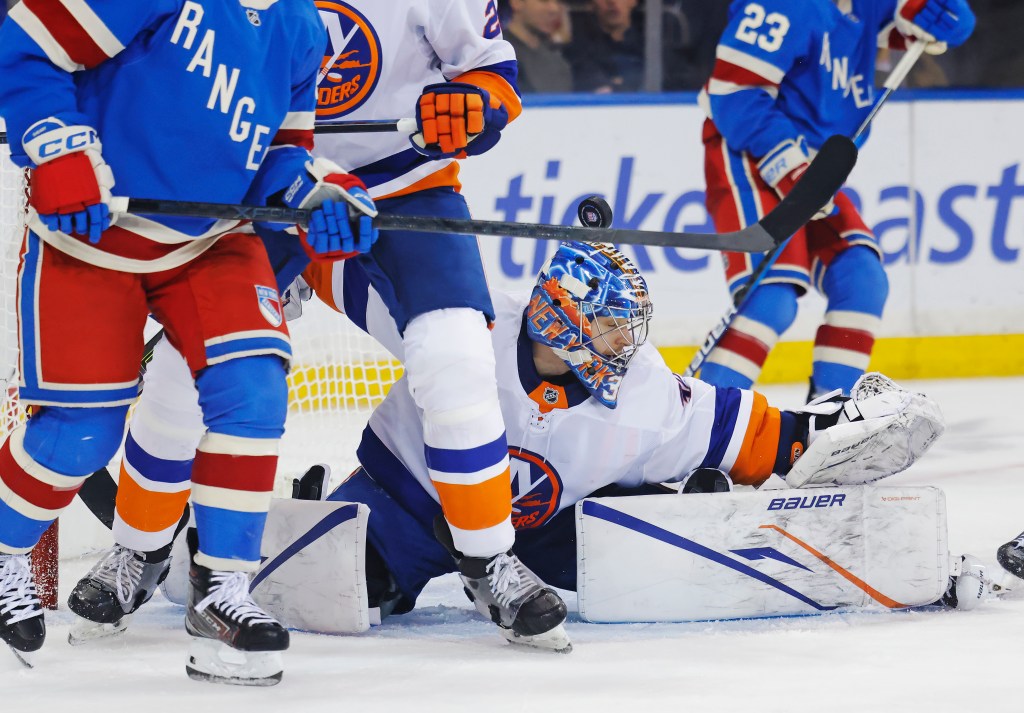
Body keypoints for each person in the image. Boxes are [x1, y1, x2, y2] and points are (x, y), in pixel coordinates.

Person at [64, 0, 560, 654]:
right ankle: (139, 547)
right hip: (270, 181)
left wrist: (475, 106)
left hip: (405, 185)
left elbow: (493, 73)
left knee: (458, 357)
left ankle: (488, 558)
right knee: (187, 366)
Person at [0, 0, 378, 684]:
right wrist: (56, 145)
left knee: (255, 390)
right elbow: (27, 44)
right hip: (91, 235)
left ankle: (223, 590)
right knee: (79, 434)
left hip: (210, 239)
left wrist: (320, 195)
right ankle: (3, 553)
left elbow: (280, 157)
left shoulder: (300, 26)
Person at [697, 0, 975, 399]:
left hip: (815, 167)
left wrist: (937, 17)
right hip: (749, 154)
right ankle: (701, 427)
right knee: (770, 300)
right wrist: (792, 170)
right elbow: (734, 93)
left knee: (862, 280)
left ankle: (826, 423)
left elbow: (906, 24)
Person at [503, 0, 573, 93]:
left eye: (559, 1)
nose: (554, 9)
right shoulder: (496, 56)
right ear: (517, 2)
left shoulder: (558, 58)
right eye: (543, 1)